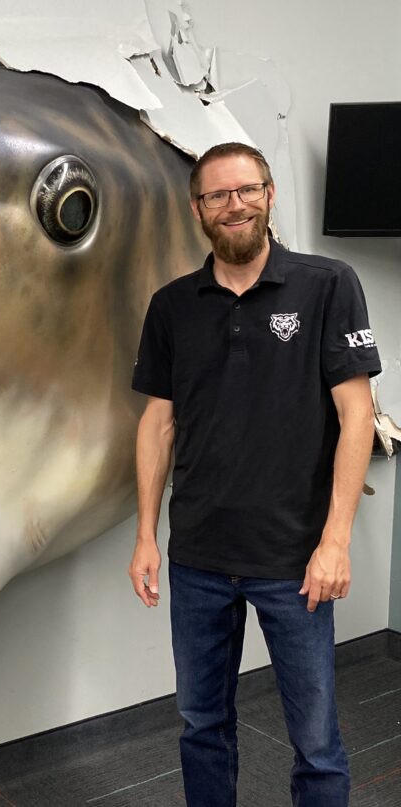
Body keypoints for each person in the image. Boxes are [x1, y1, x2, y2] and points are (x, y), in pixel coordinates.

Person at [128, 142, 381, 807]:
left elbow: (358, 417)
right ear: (197, 209)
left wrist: (335, 539)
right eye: (217, 195)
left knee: (317, 741)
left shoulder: (328, 285)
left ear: (271, 195)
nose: (233, 204)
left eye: (246, 190)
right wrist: (146, 535)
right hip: (199, 558)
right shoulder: (173, 306)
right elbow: (158, 422)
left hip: (293, 558)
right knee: (202, 724)